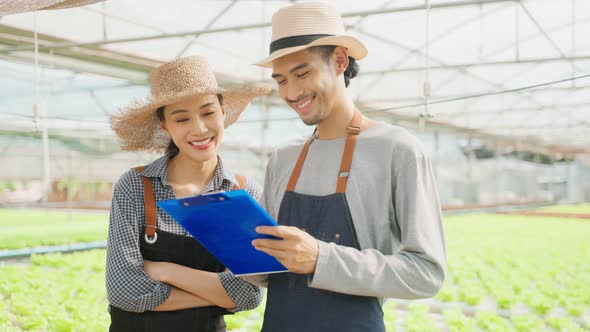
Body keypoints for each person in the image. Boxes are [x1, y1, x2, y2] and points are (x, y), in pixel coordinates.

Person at [247, 3, 447, 331]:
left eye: (302, 73)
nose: (292, 92)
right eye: (281, 80)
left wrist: (321, 259)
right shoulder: (282, 158)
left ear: (340, 60)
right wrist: (232, 245)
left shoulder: (397, 151)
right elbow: (267, 269)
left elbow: (426, 273)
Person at [106, 55, 270, 332]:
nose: (199, 129)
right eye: (182, 118)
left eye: (208, 113)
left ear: (222, 111)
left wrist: (164, 271)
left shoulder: (244, 192)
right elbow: (125, 291)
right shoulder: (136, 186)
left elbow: (249, 294)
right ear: (165, 126)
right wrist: (217, 293)